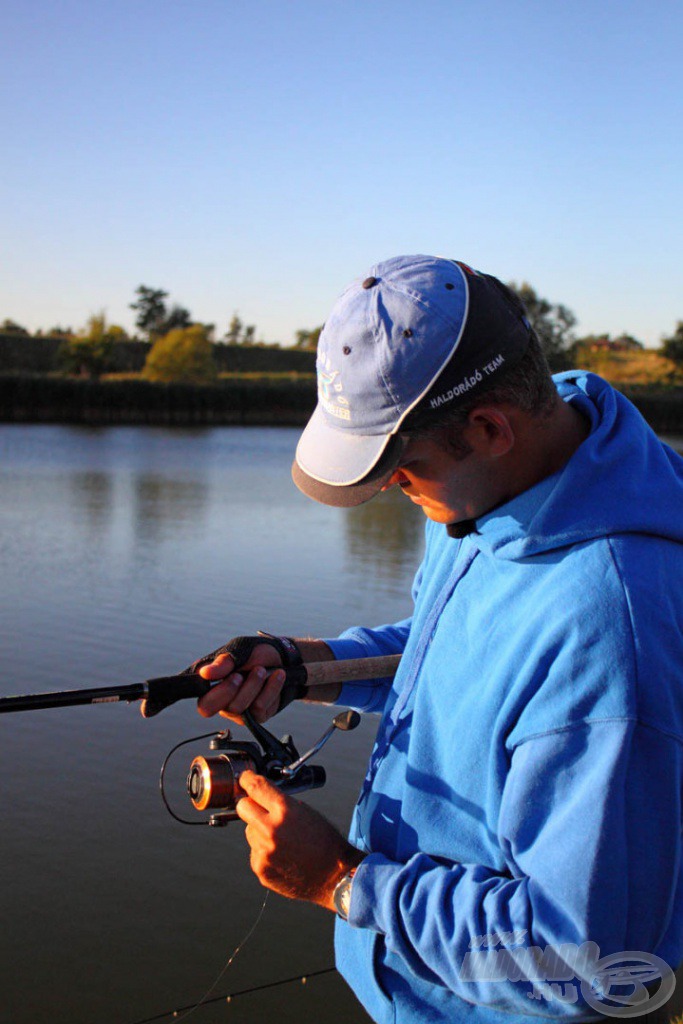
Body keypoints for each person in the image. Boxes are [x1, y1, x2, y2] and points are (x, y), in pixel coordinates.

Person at [191, 255, 683, 1023]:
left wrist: (345, 883)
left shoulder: (610, 633)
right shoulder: (504, 488)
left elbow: (588, 962)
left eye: (401, 467)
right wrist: (307, 667)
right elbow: (459, 648)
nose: (389, 486)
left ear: (488, 427)